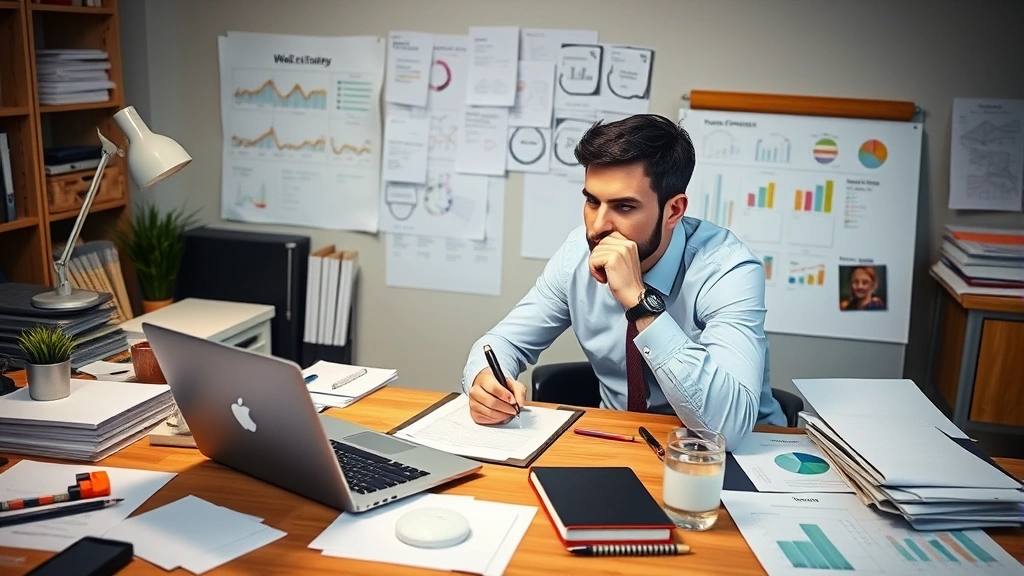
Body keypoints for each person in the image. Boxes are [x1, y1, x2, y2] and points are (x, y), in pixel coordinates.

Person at [461, 114, 785, 450]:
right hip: (622, 441)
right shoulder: (577, 253)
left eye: (624, 206)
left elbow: (728, 430)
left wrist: (640, 301)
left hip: (744, 458)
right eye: (592, 201)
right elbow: (503, 343)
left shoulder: (728, 269)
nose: (598, 225)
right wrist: (484, 382)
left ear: (673, 210)